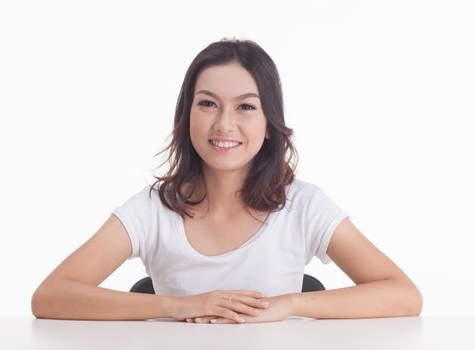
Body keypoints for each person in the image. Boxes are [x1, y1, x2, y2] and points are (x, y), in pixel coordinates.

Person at [31, 38, 423, 324]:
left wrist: (291, 304)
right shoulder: (153, 209)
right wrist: (176, 306)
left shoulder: (304, 206)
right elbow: (50, 297)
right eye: (207, 104)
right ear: (187, 117)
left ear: (269, 125)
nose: (224, 124)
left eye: (246, 107)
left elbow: (404, 295)